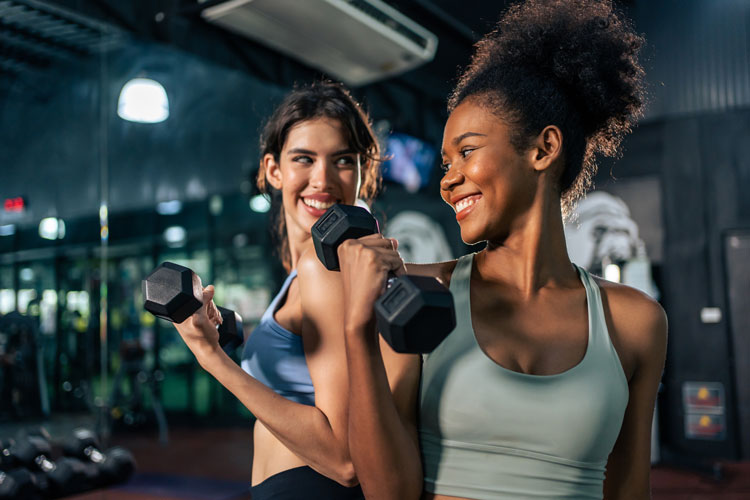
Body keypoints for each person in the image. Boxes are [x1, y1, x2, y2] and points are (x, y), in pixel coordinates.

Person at [336, 1, 668, 499]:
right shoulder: (418, 293)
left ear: (542, 149)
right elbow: (388, 493)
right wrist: (356, 329)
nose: (447, 180)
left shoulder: (636, 323)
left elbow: (628, 488)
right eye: (445, 162)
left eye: (466, 151)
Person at [172, 80, 380, 499]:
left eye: (342, 160)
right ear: (273, 170)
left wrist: (212, 358)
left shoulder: (328, 268)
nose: (322, 179)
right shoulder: (304, 271)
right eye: (304, 158)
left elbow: (344, 459)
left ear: (362, 174)